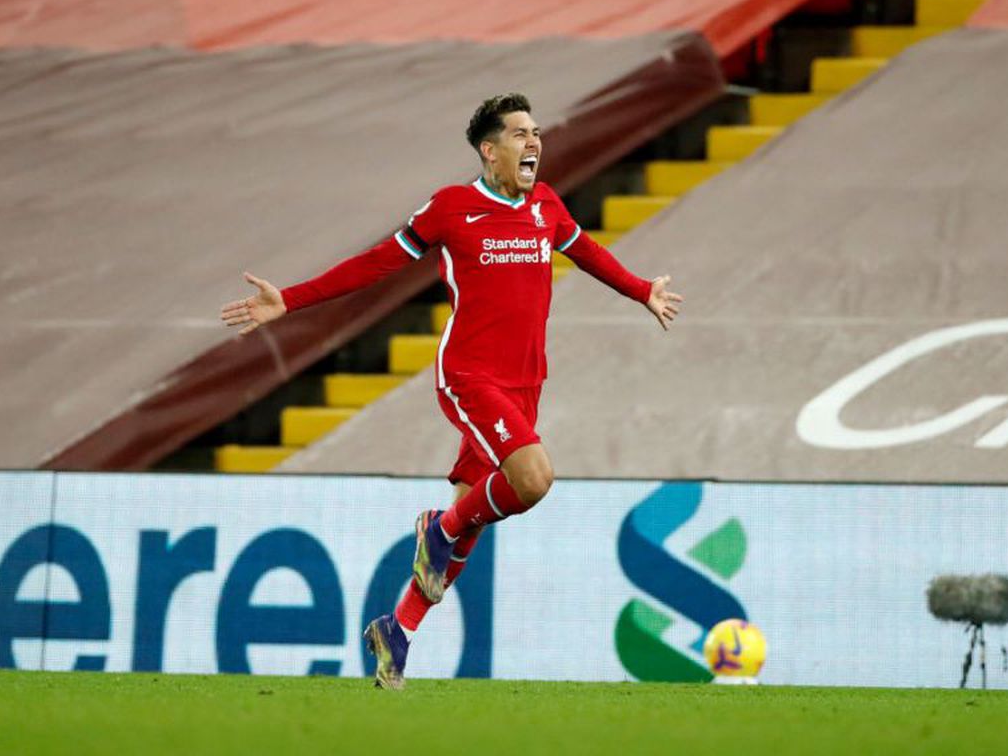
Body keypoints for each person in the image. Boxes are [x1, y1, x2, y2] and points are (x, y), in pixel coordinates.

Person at [220, 93, 682, 689]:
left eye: (536, 132)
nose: (534, 143)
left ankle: (399, 629)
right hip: (470, 374)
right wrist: (292, 299)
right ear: (489, 151)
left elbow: (585, 250)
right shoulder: (453, 207)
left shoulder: (544, 205)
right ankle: (433, 529)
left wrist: (641, 289)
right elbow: (377, 262)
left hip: (527, 380)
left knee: (475, 516)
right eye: (519, 134)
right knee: (532, 479)